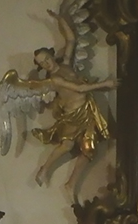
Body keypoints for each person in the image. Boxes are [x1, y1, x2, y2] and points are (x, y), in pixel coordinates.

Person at [29, 10, 118, 191]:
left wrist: (60, 20)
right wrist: (105, 83)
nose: (47, 63)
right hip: (73, 115)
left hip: (87, 111)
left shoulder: (66, 64)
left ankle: (71, 183)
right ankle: (44, 168)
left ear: (51, 55)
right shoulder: (55, 79)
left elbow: (70, 40)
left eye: (47, 58)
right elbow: (79, 88)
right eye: (43, 63)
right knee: (66, 145)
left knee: (89, 149)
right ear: (41, 67)